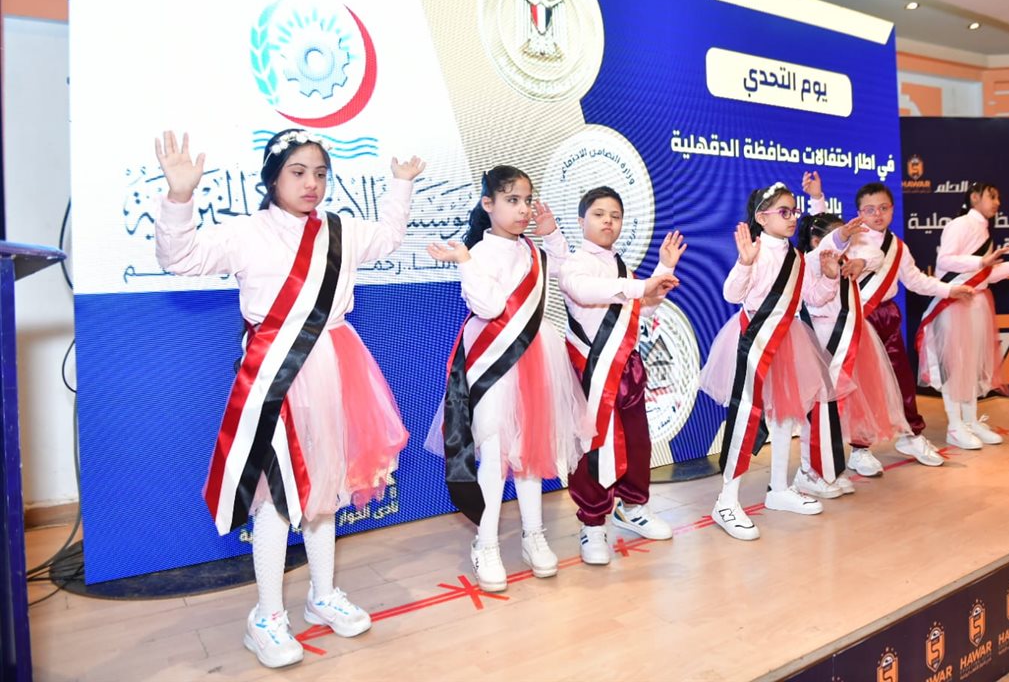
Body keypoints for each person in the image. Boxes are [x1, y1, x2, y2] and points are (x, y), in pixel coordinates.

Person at [154, 129, 421, 668]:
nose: (311, 183)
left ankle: (321, 595)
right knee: (277, 496)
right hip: (275, 378)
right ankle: (266, 617)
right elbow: (179, 257)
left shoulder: (341, 230)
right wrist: (180, 197)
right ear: (273, 177)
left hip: (336, 370)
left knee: (326, 485)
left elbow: (390, 236)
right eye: (298, 172)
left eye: (320, 173)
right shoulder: (247, 232)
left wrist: (401, 184)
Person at [425, 166, 591, 593]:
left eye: (527, 201)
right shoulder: (478, 252)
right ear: (488, 204)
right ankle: (486, 543)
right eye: (512, 200)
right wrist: (465, 261)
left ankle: (533, 535)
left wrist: (552, 236)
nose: (522, 210)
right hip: (493, 361)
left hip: (536, 357)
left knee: (530, 449)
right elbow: (489, 305)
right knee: (496, 452)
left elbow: (567, 275)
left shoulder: (533, 250)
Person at [699, 181, 848, 540]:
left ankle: (779, 488)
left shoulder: (796, 257)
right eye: (784, 211)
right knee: (745, 415)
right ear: (762, 217)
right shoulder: (756, 251)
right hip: (754, 339)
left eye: (794, 211)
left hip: (787, 340)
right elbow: (732, 294)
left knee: (784, 417)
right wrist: (744, 264)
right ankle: (726, 500)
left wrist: (830, 279)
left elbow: (811, 297)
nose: (792, 217)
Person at [557, 187, 681, 564]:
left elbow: (640, 310)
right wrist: (640, 286)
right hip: (592, 371)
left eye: (615, 215)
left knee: (638, 443)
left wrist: (664, 270)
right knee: (594, 449)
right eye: (599, 214)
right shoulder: (575, 263)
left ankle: (633, 507)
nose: (608, 221)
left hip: (629, 370)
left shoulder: (622, 267)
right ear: (581, 221)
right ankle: (593, 523)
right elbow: (584, 292)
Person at [847, 181, 974, 468]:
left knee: (901, 380)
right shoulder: (849, 240)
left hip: (888, 317)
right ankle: (859, 448)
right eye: (870, 209)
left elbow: (915, 280)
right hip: (860, 319)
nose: (877, 214)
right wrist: (817, 198)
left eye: (883, 208)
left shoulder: (898, 247)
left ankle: (911, 435)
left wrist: (949, 290)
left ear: (892, 210)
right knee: (863, 386)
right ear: (859, 213)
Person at [915, 182, 1009, 450]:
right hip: (954, 303)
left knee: (971, 364)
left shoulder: (983, 229)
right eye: (992, 196)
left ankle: (969, 421)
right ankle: (955, 425)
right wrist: (980, 261)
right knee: (955, 364)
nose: (997, 202)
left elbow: (983, 275)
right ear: (975, 197)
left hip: (977, 303)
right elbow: (945, 261)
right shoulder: (959, 225)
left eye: (998, 197)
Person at [797, 212, 911, 487]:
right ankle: (810, 469)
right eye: (842, 238)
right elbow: (827, 255)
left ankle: (839, 463)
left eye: (848, 239)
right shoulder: (809, 261)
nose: (846, 244)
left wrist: (860, 261)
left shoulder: (846, 259)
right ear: (817, 242)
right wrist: (840, 238)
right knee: (819, 408)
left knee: (845, 404)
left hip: (850, 337)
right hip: (822, 341)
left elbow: (877, 256)